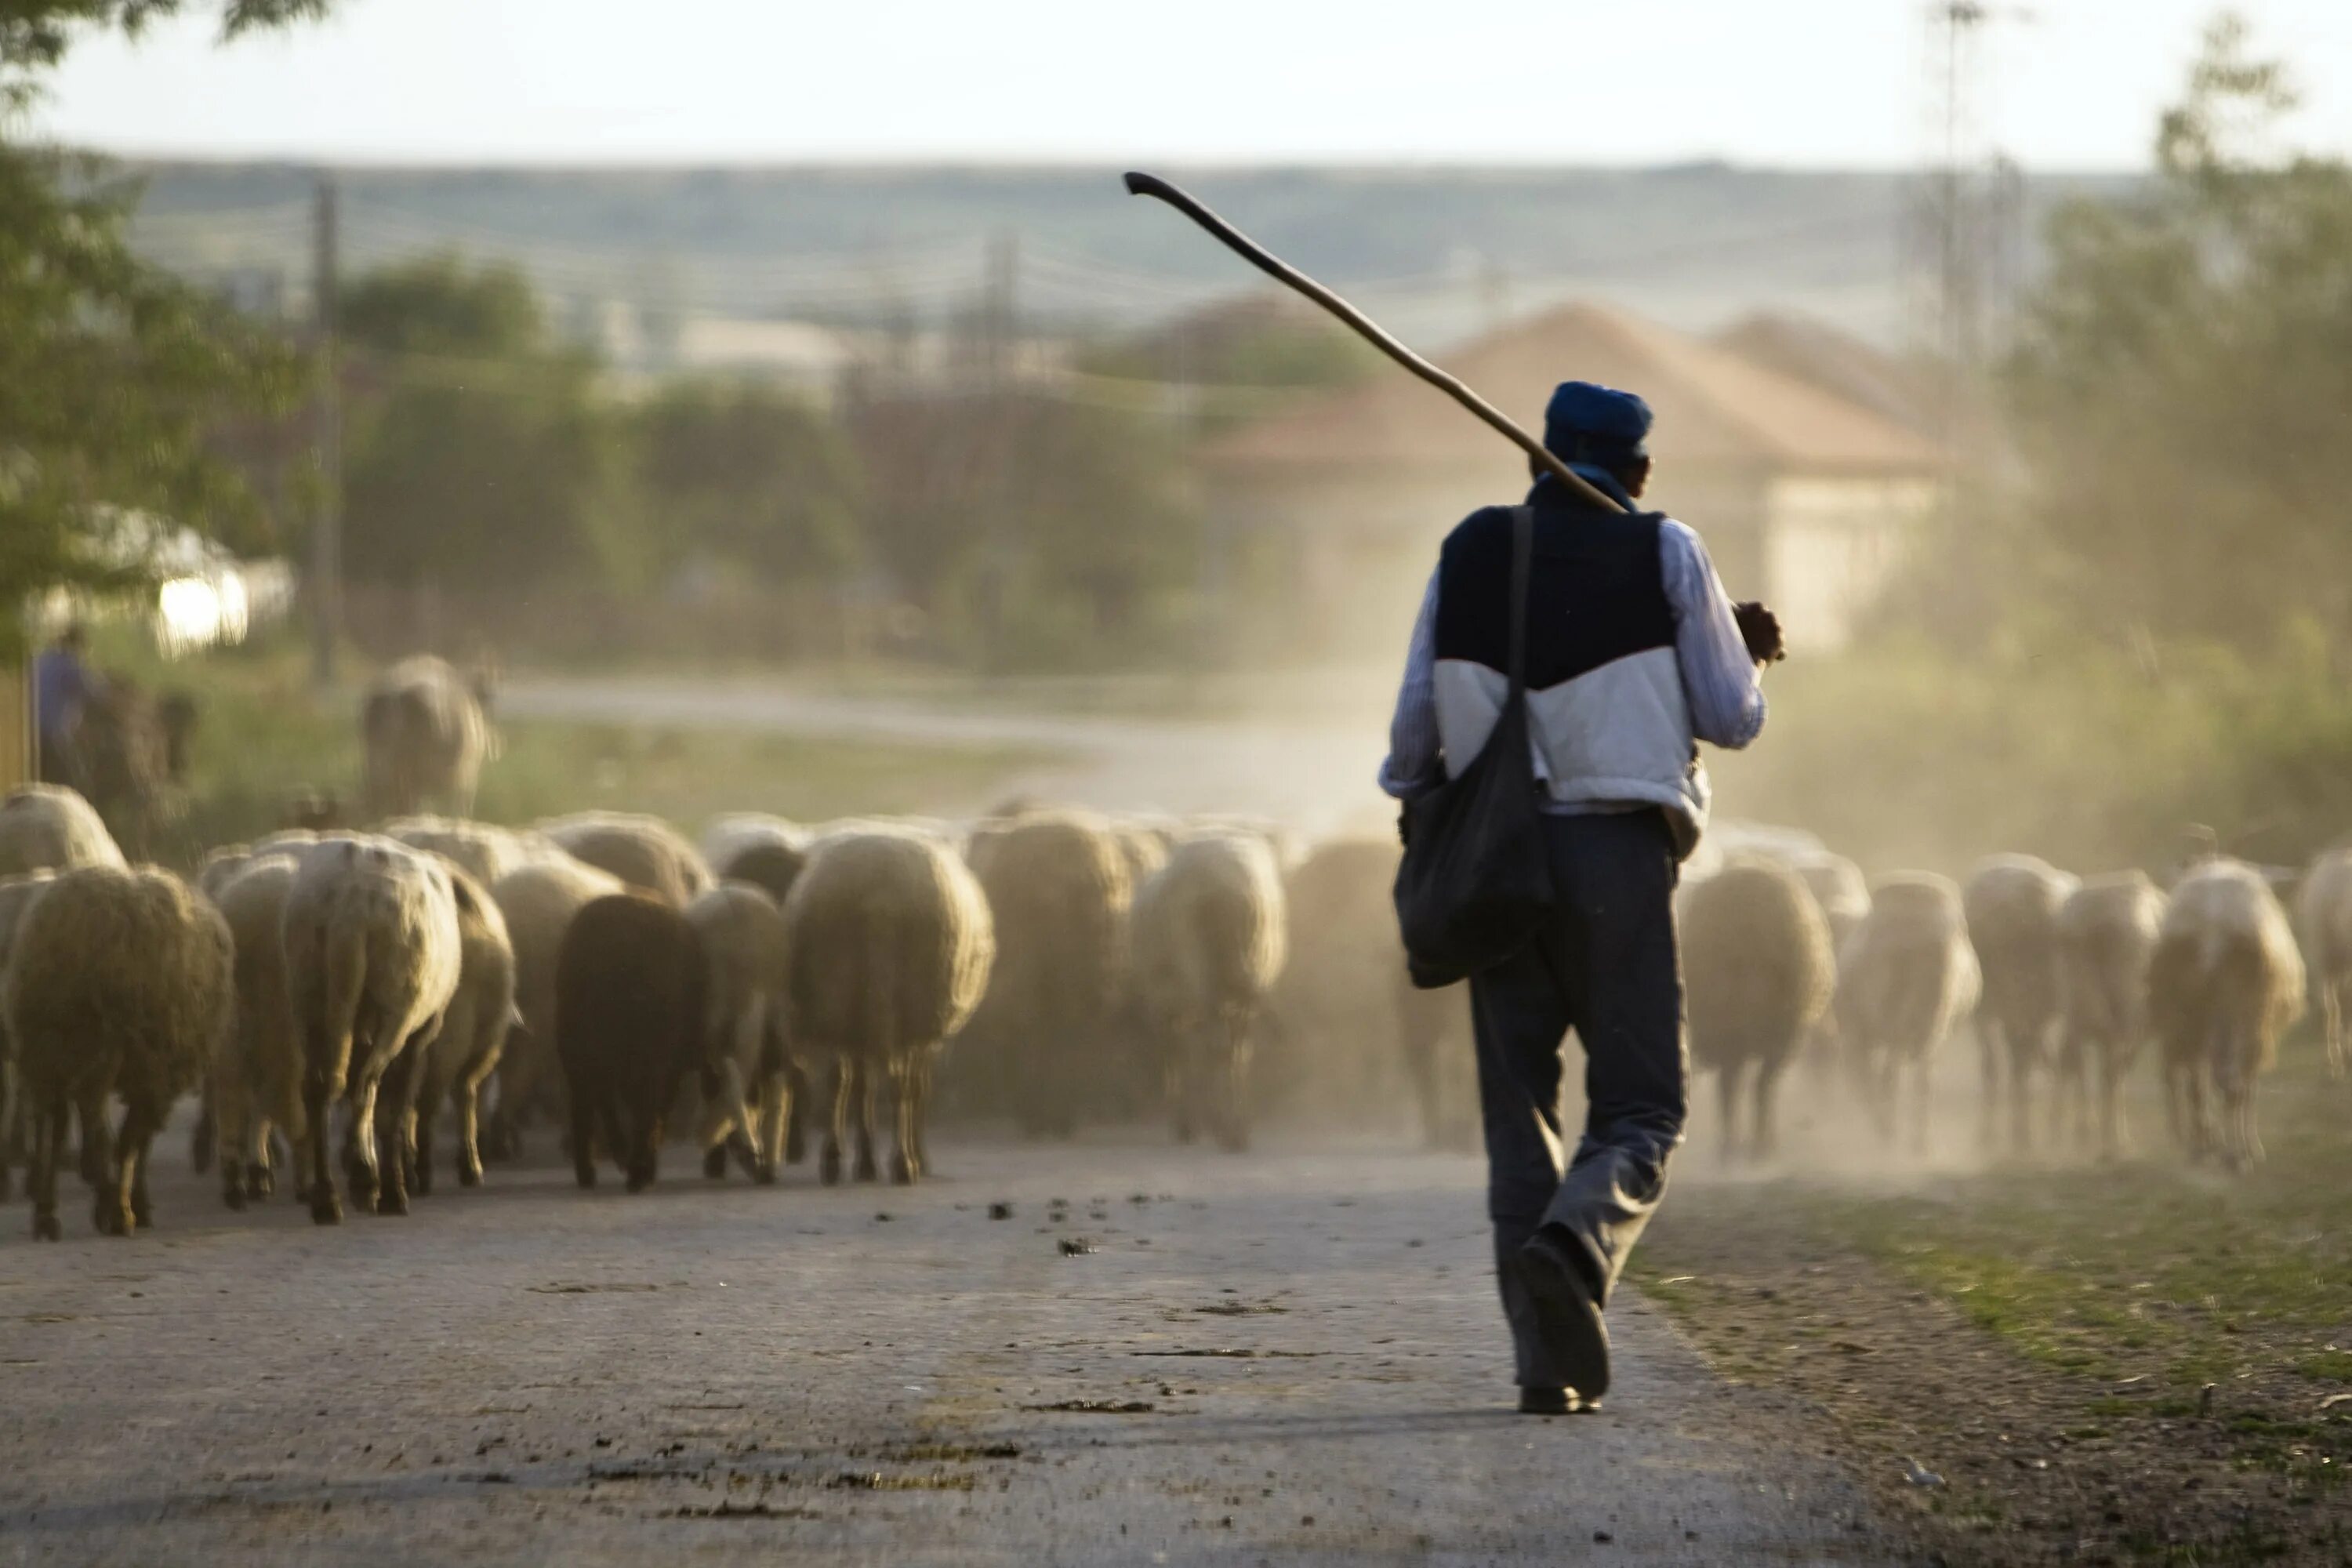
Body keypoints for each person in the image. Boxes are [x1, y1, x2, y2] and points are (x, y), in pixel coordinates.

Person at [1377, 381, 1781, 1415]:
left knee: (1518, 1112)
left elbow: (1412, 741)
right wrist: (1746, 652)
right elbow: (1731, 717)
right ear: (1640, 470)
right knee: (1643, 1107)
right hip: (1618, 863)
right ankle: (1577, 1238)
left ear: (1536, 460)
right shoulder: (1668, 549)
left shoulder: (1472, 548)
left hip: (1495, 866)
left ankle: (1543, 1369)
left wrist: (1443, 806)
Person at [32, 623, 100, 786]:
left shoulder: (42, 658)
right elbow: (95, 694)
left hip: (27, 732)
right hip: (51, 735)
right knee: (75, 779)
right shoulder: (70, 664)